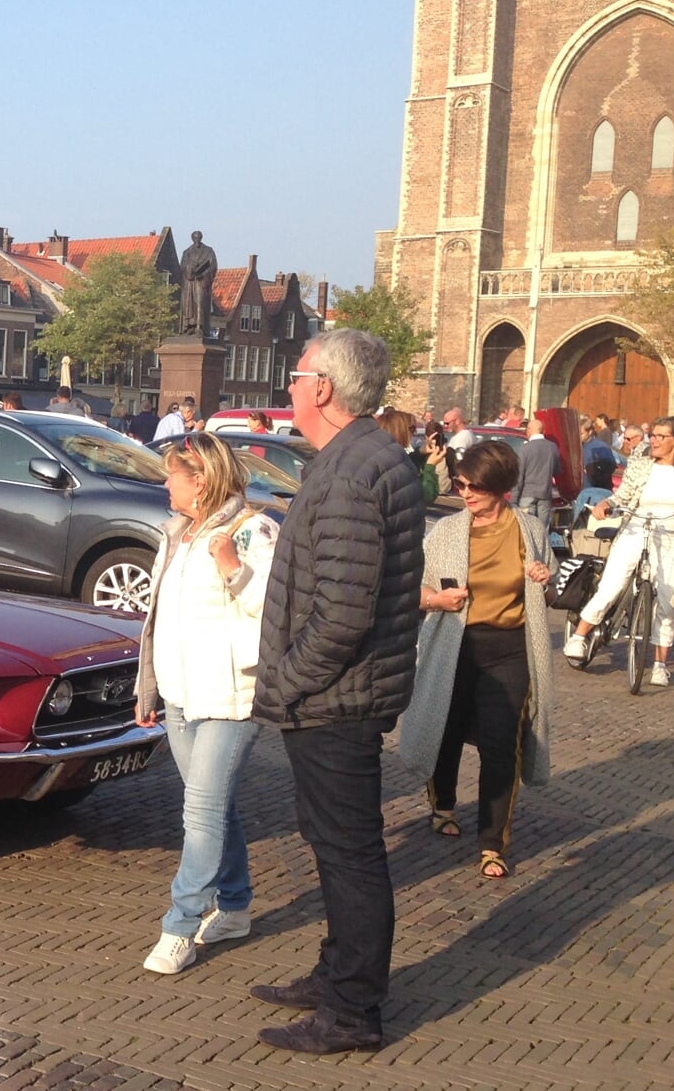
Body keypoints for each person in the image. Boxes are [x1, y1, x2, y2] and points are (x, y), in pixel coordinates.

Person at [251, 328, 425, 1054]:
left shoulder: (353, 471)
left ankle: (352, 1012)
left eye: (295, 376)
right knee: (332, 843)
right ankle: (336, 976)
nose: (287, 388)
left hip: (334, 699)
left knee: (350, 852)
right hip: (339, 694)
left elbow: (343, 613)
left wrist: (282, 686)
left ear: (322, 388)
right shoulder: (361, 458)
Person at [133, 433, 280, 975]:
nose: (164, 483)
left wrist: (233, 570)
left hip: (229, 698)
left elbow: (272, 613)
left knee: (201, 811)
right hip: (179, 696)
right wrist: (149, 687)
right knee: (214, 807)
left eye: (172, 474)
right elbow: (159, 621)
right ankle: (236, 906)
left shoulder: (251, 531)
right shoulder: (177, 534)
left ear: (201, 480)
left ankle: (180, 925)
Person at [399, 441, 553, 881]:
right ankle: (443, 805)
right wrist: (437, 599)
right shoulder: (447, 531)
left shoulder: (528, 529)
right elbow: (418, 586)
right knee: (444, 728)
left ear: (501, 488)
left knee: (502, 745)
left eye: (475, 487)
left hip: (509, 648)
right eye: (461, 484)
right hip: (454, 645)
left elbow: (548, 573)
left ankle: (492, 843)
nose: (464, 492)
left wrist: (543, 575)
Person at [564, 416, 674, 684]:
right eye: (653, 435)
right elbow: (623, 495)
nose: (654, 441)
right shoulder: (641, 464)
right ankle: (579, 636)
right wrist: (607, 504)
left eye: (660, 436)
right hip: (636, 529)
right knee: (611, 585)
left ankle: (659, 665)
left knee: (666, 603)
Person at [377, 408, 449, 505]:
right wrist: (430, 466)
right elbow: (425, 495)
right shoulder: (393, 463)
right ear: (399, 430)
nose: (414, 433)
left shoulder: (382, 455)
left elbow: (405, 461)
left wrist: (420, 452)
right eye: (412, 429)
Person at [513, 418, 559, 520]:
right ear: (543, 430)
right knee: (543, 528)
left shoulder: (525, 448)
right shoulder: (552, 447)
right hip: (545, 493)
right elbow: (556, 471)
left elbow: (519, 475)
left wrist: (514, 499)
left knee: (527, 528)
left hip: (527, 493)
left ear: (528, 430)